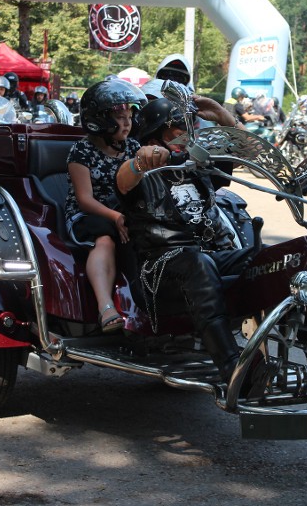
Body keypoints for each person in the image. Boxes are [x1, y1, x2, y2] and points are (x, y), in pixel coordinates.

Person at [114, 93, 276, 397]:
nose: (189, 134)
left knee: (273, 258)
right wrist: (140, 161)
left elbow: (251, 151)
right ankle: (233, 372)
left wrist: (219, 113)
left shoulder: (195, 166)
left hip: (208, 257)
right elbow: (124, 179)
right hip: (160, 270)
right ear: (157, 134)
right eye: (179, 129)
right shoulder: (140, 172)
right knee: (198, 263)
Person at [64, 78, 145, 333]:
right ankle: (106, 307)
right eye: (120, 117)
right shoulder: (81, 151)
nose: (127, 122)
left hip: (125, 212)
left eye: (130, 116)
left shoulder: (134, 147)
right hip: (87, 216)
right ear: (99, 120)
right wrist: (116, 217)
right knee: (106, 238)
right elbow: (84, 200)